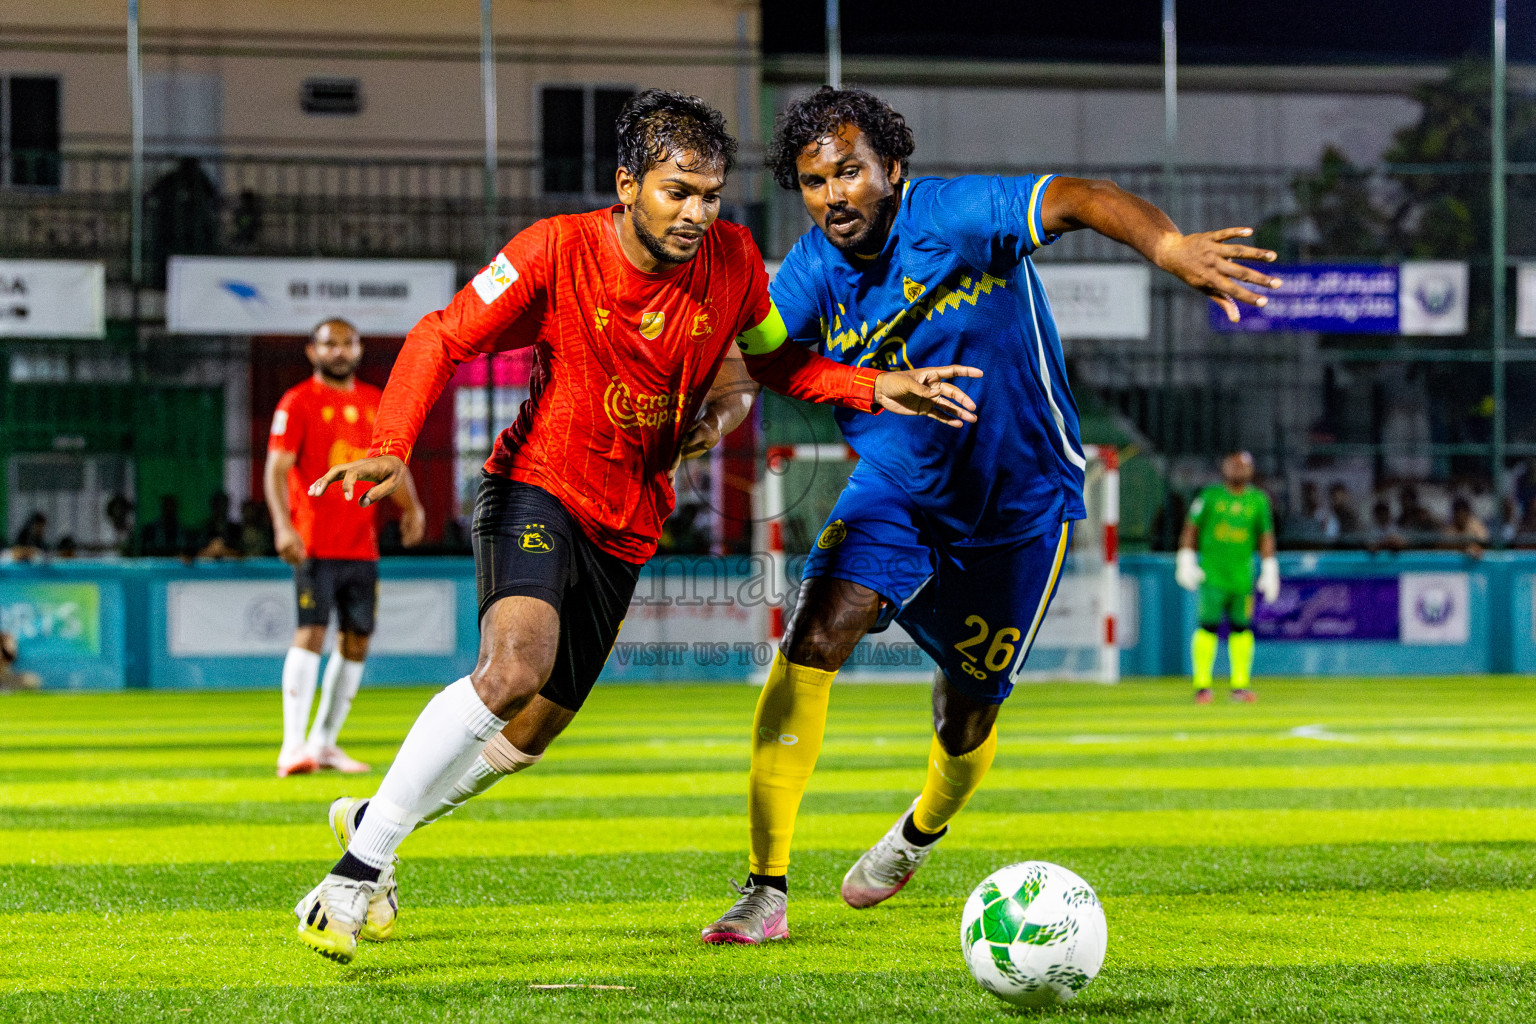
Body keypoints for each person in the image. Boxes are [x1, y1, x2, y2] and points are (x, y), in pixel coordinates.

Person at [288, 90, 981, 964]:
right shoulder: (554, 251)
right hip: (535, 487)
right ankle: (355, 873)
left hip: (628, 524)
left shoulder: (731, 261)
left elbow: (773, 362)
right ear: (627, 185)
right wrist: (392, 442)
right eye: (677, 192)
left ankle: (377, 810)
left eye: (711, 194)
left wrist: (870, 385)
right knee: (513, 667)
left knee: (530, 731)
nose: (697, 213)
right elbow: (441, 335)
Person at [700, 87, 1281, 945]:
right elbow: (760, 363)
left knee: (964, 713)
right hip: (896, 490)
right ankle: (764, 888)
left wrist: (1166, 244)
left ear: (892, 169)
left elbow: (1079, 198)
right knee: (812, 638)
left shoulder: (962, 216)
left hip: (1022, 505)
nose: (834, 196)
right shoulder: (811, 272)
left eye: (850, 172)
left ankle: (922, 828)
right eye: (815, 182)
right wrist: (713, 412)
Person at [264, 318, 427, 779]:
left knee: (356, 641)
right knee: (311, 633)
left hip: (362, 547)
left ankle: (324, 743)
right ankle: (292, 746)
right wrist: (283, 526)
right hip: (314, 542)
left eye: (347, 343)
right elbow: (276, 470)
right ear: (312, 352)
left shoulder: (376, 402)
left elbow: (391, 464)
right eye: (328, 344)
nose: (338, 351)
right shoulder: (297, 403)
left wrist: (411, 508)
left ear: (358, 349)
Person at [1177, 452, 1279, 705]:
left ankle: (1240, 685)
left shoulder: (1258, 500)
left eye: (1243, 465)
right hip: (1213, 575)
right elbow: (1191, 527)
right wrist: (1186, 559)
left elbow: (1265, 536)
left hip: (1242, 577)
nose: (1238, 469)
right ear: (1225, 467)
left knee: (1241, 629)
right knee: (1208, 627)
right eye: (1234, 465)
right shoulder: (1210, 496)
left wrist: (1269, 567)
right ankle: (1202, 685)